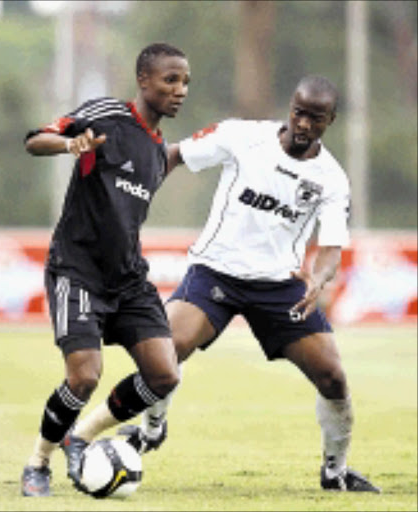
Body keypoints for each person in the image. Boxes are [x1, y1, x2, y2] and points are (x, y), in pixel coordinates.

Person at [64, 75, 381, 493]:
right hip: (215, 271)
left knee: (333, 377)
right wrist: (132, 194)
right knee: (166, 351)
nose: (304, 124)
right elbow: (173, 155)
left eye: (316, 119)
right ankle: (127, 432)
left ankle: (335, 472)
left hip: (278, 285)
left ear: (330, 121)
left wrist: (319, 278)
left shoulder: (332, 179)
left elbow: (331, 248)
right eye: (299, 113)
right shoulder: (241, 137)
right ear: (290, 107)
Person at [20, 42, 190, 497]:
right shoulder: (108, 116)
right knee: (85, 375)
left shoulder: (158, 151)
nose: (180, 90)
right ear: (143, 80)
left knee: (164, 375)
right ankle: (38, 462)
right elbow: (36, 139)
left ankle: (81, 438)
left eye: (185, 82)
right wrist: (70, 143)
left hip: (129, 279)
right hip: (77, 269)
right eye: (170, 80)